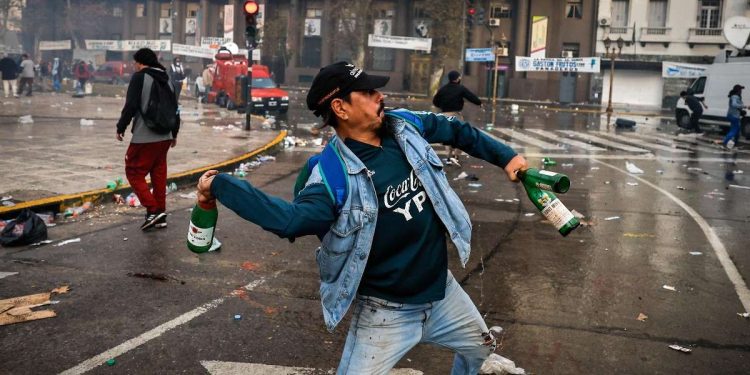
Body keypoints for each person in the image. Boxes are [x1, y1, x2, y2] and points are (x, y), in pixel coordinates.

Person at [196, 61, 528, 374]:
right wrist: (221, 185)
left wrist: (506, 157)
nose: (379, 96)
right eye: (368, 93)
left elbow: (453, 129)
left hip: (443, 293)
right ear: (340, 108)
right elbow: (291, 220)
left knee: (480, 350)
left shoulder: (403, 126)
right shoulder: (330, 173)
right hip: (385, 316)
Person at [116, 48, 180, 230]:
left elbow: (130, 106)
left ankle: (153, 211)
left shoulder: (140, 77)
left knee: (134, 172)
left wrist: (121, 127)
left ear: (141, 62)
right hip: (166, 136)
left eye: (135, 63)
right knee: (158, 174)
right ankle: (160, 214)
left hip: (145, 136)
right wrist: (174, 133)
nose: (134, 66)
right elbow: (176, 110)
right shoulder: (167, 79)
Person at [433, 70, 482, 164]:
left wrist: (442, 106)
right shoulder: (460, 88)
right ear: (457, 78)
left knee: (447, 135)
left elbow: (435, 101)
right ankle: (456, 155)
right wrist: (479, 102)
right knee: (459, 135)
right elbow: (470, 96)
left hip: (444, 115)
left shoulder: (443, 89)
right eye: (459, 77)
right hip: (456, 114)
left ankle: (448, 157)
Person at [721, 84, 747, 149]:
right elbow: (734, 104)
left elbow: (737, 106)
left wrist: (742, 109)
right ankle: (725, 143)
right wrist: (745, 106)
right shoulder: (735, 96)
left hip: (734, 115)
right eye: (740, 89)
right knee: (734, 130)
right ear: (737, 90)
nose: (741, 91)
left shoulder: (736, 96)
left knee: (737, 130)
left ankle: (735, 144)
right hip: (733, 116)